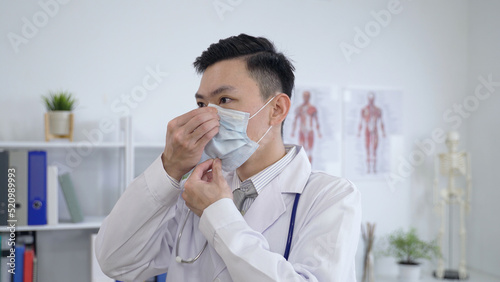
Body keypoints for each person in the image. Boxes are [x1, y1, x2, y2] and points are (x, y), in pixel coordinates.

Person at [95, 34, 361, 282]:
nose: (208, 116)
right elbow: (116, 260)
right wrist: (170, 168)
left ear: (277, 109)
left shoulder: (331, 196)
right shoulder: (193, 188)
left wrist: (217, 213)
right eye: (202, 104)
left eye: (224, 99)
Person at [357, 92, 385, 174]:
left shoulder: (378, 110)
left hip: (375, 130)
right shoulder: (364, 110)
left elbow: (381, 122)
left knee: (374, 150)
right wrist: (359, 132)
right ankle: (368, 168)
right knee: (368, 149)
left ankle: (374, 168)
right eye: (370, 98)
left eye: (372, 99)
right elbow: (361, 122)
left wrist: (383, 132)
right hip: (367, 131)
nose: (371, 100)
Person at [291, 90, 322, 163]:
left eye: (307, 96)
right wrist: (293, 131)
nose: (306, 97)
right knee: (302, 150)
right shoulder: (299, 108)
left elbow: (316, 120)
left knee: (310, 151)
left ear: (309, 97)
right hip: (302, 130)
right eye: (305, 96)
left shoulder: (312, 109)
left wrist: (318, 132)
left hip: (310, 131)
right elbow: (295, 120)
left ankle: (310, 168)